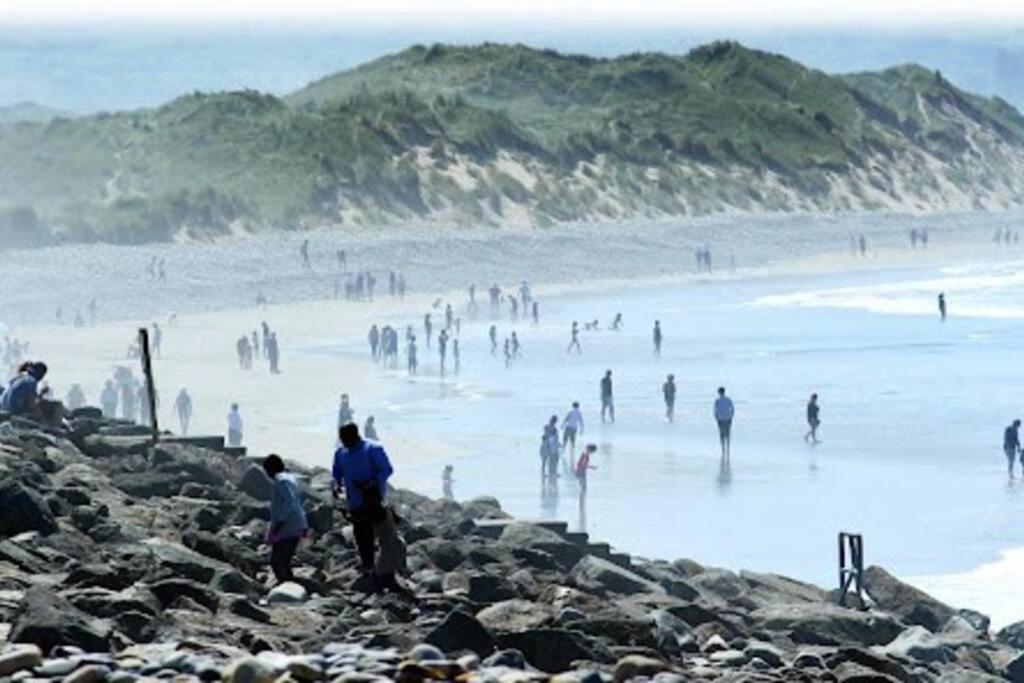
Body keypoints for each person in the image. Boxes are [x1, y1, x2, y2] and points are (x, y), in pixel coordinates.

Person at [332, 423, 395, 575]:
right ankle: (368, 567)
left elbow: (387, 469)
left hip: (374, 499)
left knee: (383, 536)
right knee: (362, 536)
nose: (343, 441)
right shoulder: (340, 453)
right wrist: (336, 486)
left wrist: (372, 482)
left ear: (354, 435)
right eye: (341, 438)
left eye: (345, 438)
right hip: (354, 502)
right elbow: (336, 474)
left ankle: (387, 569)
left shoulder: (372, 449)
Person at [264, 454, 309, 584]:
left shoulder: (281, 480)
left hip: (288, 525)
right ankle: (289, 584)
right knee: (285, 560)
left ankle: (286, 586)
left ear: (271, 469)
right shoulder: (290, 478)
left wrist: (279, 523)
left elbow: (289, 502)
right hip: (296, 523)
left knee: (277, 561)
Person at [714, 387, 735, 458]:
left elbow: (715, 410)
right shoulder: (728, 399)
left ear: (719, 392)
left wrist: (716, 417)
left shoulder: (717, 400)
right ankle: (728, 447)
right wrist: (731, 416)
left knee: (721, 433)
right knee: (728, 432)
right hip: (727, 418)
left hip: (721, 419)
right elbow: (732, 409)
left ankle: (723, 448)